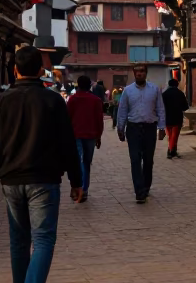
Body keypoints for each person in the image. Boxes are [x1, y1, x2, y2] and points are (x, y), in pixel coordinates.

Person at [0, 46, 82, 283]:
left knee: (19, 242)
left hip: (10, 181)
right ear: (40, 71)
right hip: (44, 179)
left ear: (15, 71)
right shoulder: (52, 101)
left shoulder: (0, 102)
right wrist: (77, 180)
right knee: (43, 240)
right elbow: (67, 143)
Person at [116, 64, 165, 204]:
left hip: (150, 128)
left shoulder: (154, 89)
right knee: (135, 160)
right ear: (134, 73)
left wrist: (162, 128)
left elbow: (160, 109)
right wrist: (121, 128)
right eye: (137, 72)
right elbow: (123, 110)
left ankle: (146, 186)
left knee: (148, 160)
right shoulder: (128, 91)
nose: (139, 74)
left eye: (142, 71)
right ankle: (139, 191)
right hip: (133, 129)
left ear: (146, 73)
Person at [66, 75, 106, 202]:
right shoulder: (95, 100)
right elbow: (99, 120)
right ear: (89, 86)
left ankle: (78, 188)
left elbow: (67, 119)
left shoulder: (72, 99)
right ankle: (84, 189)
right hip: (90, 135)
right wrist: (99, 136)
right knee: (86, 162)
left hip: (75, 135)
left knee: (78, 162)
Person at [161, 77, 189, 159]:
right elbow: (185, 107)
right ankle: (170, 151)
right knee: (174, 136)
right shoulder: (180, 94)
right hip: (177, 118)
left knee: (170, 136)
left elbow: (160, 107)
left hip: (166, 119)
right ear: (177, 85)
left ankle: (172, 151)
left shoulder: (164, 94)